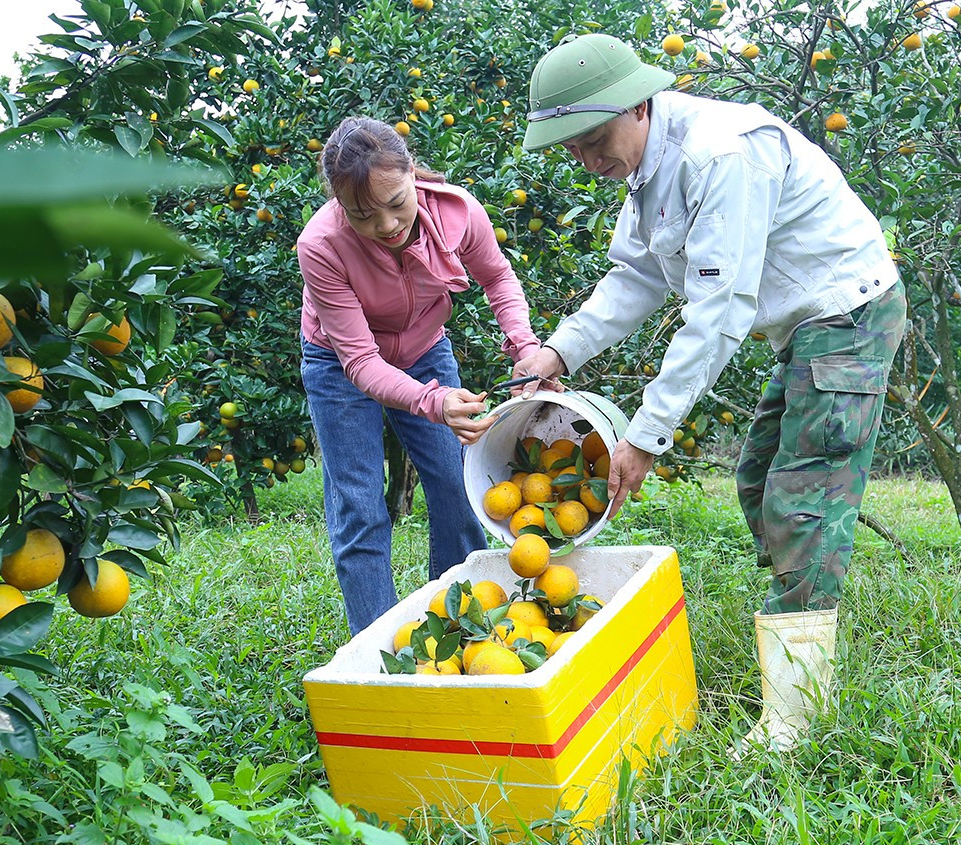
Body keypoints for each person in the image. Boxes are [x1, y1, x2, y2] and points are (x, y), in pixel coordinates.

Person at [512, 34, 907, 752]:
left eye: (595, 141)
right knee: (758, 481)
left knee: (803, 498)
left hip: (847, 315)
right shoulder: (648, 168)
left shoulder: (718, 154)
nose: (590, 161)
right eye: (574, 149)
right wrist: (557, 350)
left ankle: (798, 716)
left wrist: (645, 435)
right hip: (805, 327)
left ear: (638, 104)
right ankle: (801, 618)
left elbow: (719, 311)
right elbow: (634, 277)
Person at [298, 116, 541, 635]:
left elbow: (497, 277)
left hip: (425, 347)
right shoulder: (321, 245)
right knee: (360, 506)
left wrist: (525, 347)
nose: (387, 225)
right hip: (338, 364)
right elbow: (360, 362)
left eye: (396, 203)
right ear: (340, 204)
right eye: (363, 215)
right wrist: (434, 402)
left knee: (459, 485)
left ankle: (460, 627)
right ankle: (378, 648)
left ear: (413, 173)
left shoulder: (458, 213)